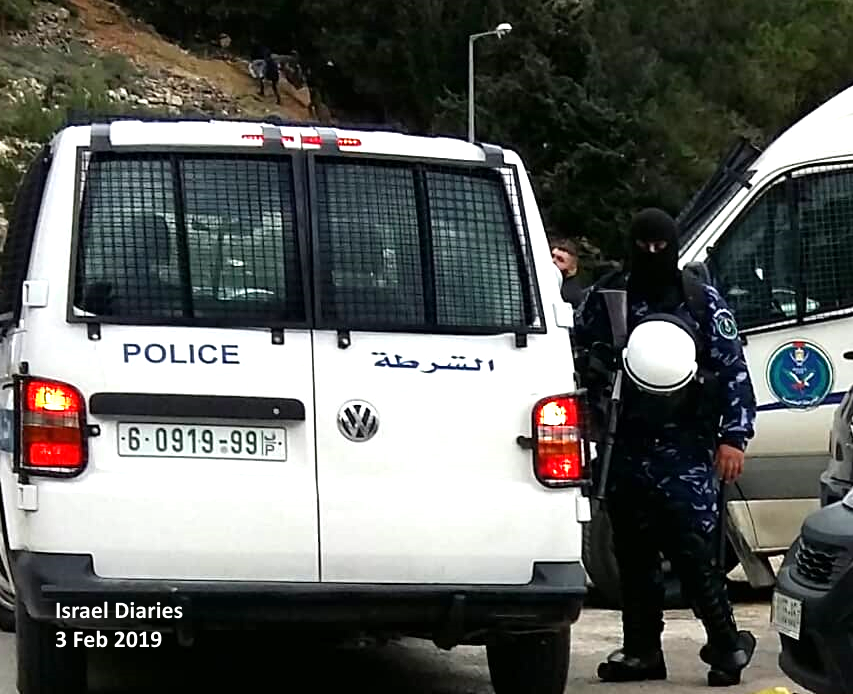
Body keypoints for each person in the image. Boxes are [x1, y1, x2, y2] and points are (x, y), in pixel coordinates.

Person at [572, 208, 758, 687]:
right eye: (644, 246)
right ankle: (641, 651)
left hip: (686, 448)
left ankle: (726, 645)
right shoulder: (608, 298)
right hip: (625, 443)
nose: (652, 254)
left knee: (692, 551)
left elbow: (732, 370)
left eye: (661, 246)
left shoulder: (699, 300)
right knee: (632, 554)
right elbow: (576, 353)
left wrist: (733, 438)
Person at [551, 238, 586, 306]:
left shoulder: (569, 296)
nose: (553, 261)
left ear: (572, 269)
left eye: (560, 260)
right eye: (552, 256)